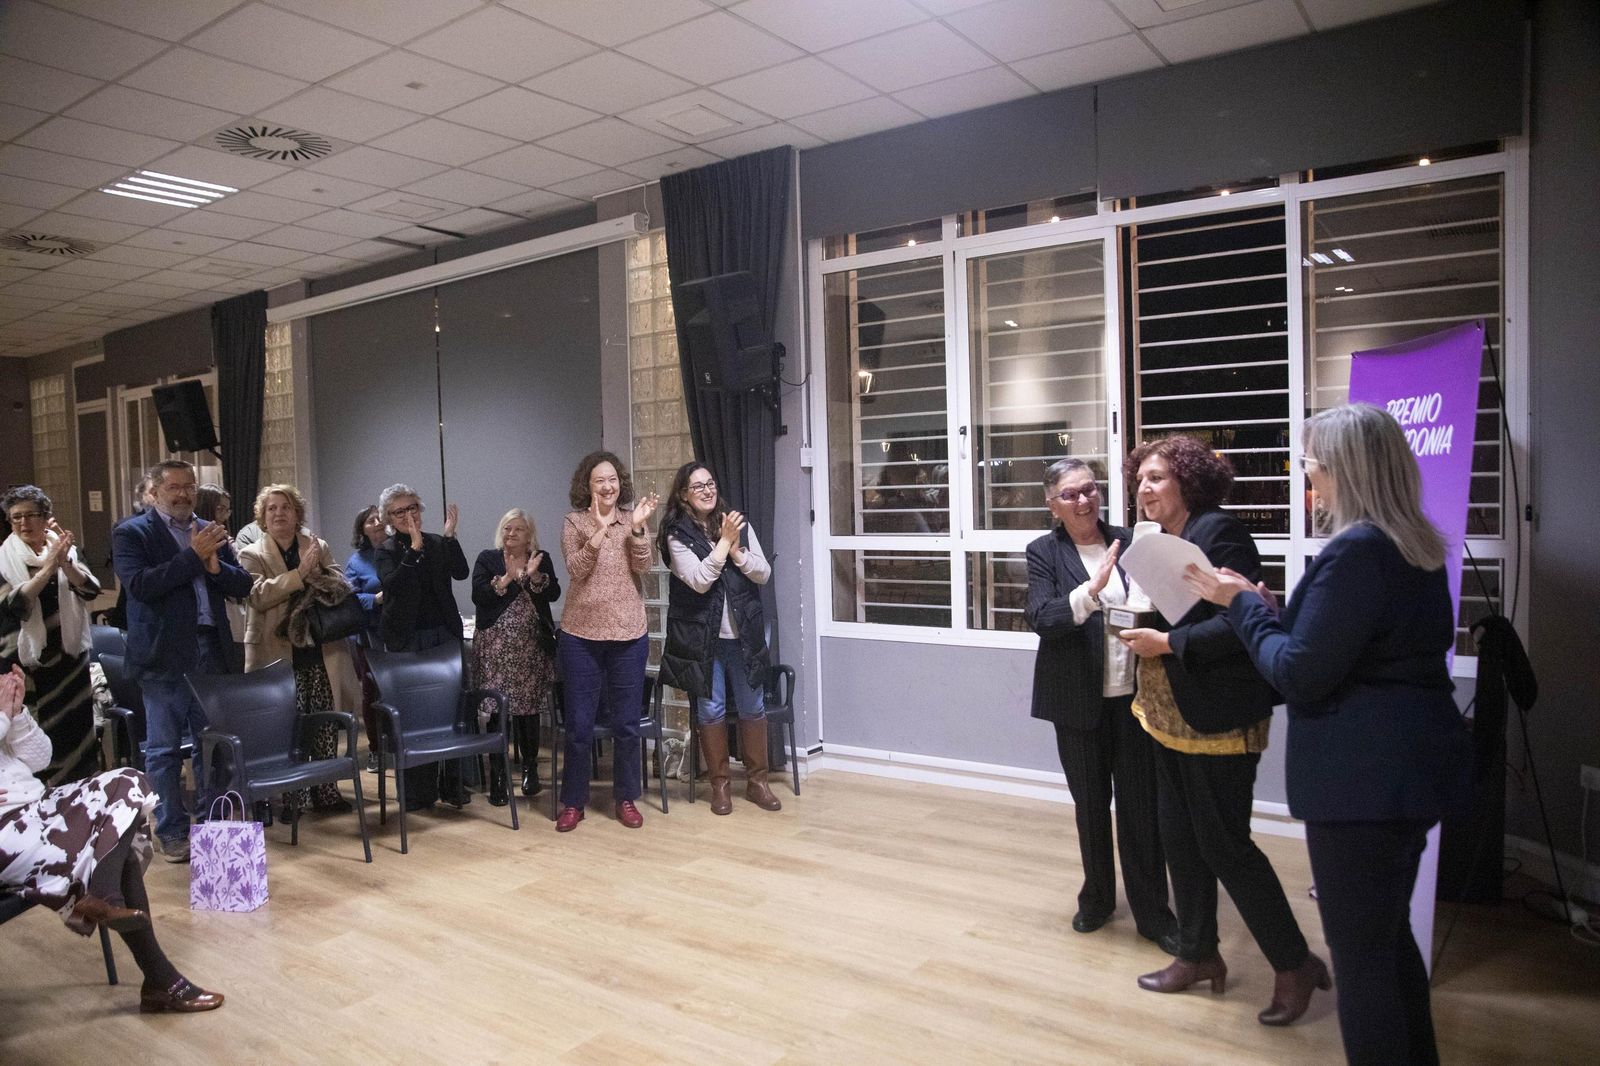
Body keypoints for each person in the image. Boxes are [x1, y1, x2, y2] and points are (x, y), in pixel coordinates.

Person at [1184, 404, 1472, 1065]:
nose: (1306, 479)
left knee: (1362, 966)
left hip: (1361, 784)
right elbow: (1355, 641)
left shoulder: (1357, 550)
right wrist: (1272, 609)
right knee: (1387, 943)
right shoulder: (1411, 544)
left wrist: (1243, 607)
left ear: (1345, 469)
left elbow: (1299, 674)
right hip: (1406, 775)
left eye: (1309, 465)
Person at [1115, 434, 1328, 1026]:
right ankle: (1197, 953)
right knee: (1179, 839)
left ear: (1188, 480)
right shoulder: (1159, 539)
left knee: (1226, 847)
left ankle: (1295, 963)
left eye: (1157, 477)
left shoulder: (1219, 532)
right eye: (1140, 479)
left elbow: (1241, 621)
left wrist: (1167, 642)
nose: (1144, 488)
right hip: (1165, 713)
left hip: (1218, 717)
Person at [0, 664, 223, 1013]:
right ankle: (160, 980)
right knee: (122, 856)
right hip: (7, 829)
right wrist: (2, 715)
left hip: (39, 805)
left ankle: (103, 897)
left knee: (128, 781)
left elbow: (40, 758)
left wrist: (17, 714)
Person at [1023, 459, 1176, 952]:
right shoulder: (1044, 552)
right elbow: (1042, 618)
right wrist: (1090, 592)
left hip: (1134, 700)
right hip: (1077, 702)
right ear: (1053, 506)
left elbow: (1165, 604)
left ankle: (1153, 913)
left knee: (1140, 810)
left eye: (1089, 489)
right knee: (1090, 806)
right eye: (1070, 495)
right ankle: (1097, 900)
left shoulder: (1133, 540)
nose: (1084, 500)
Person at [112, 460, 252, 864]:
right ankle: (171, 831)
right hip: (163, 656)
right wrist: (193, 556)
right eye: (174, 487)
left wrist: (214, 566)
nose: (184, 494)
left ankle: (212, 829)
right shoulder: (131, 532)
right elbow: (142, 586)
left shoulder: (209, 529)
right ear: (155, 492)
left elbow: (243, 584)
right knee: (164, 750)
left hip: (211, 650)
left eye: (190, 486)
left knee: (212, 746)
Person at [656, 462, 778, 815]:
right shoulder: (676, 534)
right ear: (684, 495)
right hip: (702, 638)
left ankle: (758, 783)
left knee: (753, 707)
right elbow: (699, 580)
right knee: (712, 710)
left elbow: (763, 573)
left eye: (710, 483)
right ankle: (720, 787)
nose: (707, 490)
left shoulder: (736, 523)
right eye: (698, 486)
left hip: (744, 635)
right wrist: (724, 543)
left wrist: (737, 551)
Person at [237, 485, 362, 815]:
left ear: (297, 514)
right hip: (275, 651)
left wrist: (318, 574)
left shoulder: (317, 545)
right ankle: (290, 797)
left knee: (323, 719)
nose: (279, 513)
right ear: (263, 517)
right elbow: (257, 595)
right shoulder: (251, 553)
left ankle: (326, 791)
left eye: (286, 507)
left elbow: (340, 584)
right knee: (284, 725)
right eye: (272, 508)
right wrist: (299, 575)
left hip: (320, 647)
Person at [555, 451, 657, 832]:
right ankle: (573, 802)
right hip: (580, 636)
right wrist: (598, 531)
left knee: (627, 724)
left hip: (629, 634)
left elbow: (643, 566)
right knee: (579, 725)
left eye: (612, 479)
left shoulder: (632, 519)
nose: (608, 486)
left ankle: (625, 798)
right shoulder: (574, 522)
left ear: (620, 483)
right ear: (588, 486)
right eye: (600, 480)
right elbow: (576, 569)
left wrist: (637, 529)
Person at [375, 484, 469, 812]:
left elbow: (461, 572)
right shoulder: (386, 549)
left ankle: (454, 786)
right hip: (407, 640)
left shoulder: (438, 543)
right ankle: (418, 793)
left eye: (412, 508)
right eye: (399, 511)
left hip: (444, 635)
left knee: (452, 709)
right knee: (415, 716)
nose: (408, 515)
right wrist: (413, 551)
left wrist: (450, 536)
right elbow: (392, 585)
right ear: (389, 518)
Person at [0, 486, 101, 785]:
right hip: (23, 666)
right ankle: (38, 800)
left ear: (46, 518)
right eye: (16, 517)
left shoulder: (67, 551)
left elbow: (90, 590)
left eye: (31, 515)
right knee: (32, 738)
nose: (23, 523)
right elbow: (15, 606)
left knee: (75, 735)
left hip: (69, 663)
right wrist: (47, 569)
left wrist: (65, 563)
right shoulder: (3, 560)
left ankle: (77, 798)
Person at [470, 509, 559, 806]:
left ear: (529, 534)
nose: (511, 534)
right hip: (495, 648)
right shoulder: (487, 559)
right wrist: (507, 577)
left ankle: (530, 770)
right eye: (507, 528)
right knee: (498, 710)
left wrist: (535, 576)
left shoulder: (541, 558)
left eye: (518, 529)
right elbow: (479, 596)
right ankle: (499, 776)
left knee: (528, 709)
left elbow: (553, 593)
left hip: (530, 648)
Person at [344, 505, 386, 772]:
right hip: (370, 634)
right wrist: (375, 599)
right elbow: (348, 598)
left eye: (381, 517)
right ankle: (375, 749)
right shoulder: (356, 561)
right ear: (362, 529)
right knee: (371, 692)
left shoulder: (398, 549)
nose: (378, 522)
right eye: (371, 520)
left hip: (400, 632)